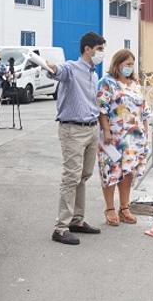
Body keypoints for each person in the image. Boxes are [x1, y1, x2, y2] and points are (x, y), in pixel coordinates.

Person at [42, 31, 106, 245]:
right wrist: (50, 67)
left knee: (84, 175)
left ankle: (77, 220)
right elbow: (58, 72)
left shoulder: (93, 74)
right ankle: (60, 227)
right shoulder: (71, 68)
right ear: (87, 49)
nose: (101, 54)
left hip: (91, 128)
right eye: (99, 49)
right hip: (73, 130)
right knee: (71, 177)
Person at [96, 49, 152, 226]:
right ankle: (110, 209)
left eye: (131, 64)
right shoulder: (107, 83)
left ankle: (124, 207)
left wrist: (146, 131)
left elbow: (143, 110)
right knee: (111, 172)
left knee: (128, 172)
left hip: (133, 139)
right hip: (113, 138)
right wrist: (106, 130)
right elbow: (101, 108)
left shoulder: (135, 84)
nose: (130, 67)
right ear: (118, 64)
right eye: (127, 64)